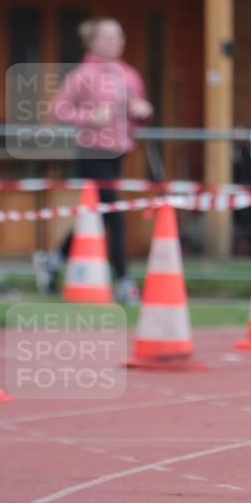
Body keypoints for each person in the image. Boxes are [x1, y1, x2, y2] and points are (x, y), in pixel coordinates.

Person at [33, 18, 153, 304]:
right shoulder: (82, 75)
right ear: (93, 42)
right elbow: (57, 110)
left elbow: (139, 112)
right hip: (92, 152)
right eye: (108, 37)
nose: (115, 42)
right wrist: (89, 117)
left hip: (119, 152)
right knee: (115, 214)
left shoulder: (129, 75)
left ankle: (53, 259)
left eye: (119, 36)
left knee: (96, 215)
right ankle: (123, 280)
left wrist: (143, 110)